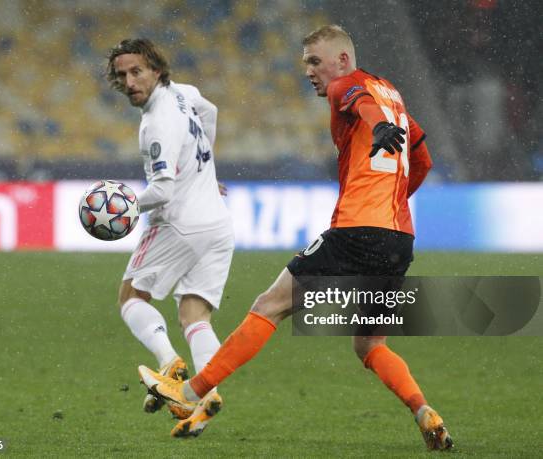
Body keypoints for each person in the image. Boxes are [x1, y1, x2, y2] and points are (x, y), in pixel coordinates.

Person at [138, 25, 453, 450]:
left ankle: (190, 391)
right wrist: (393, 196)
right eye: (306, 61)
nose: (308, 70)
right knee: (370, 345)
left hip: (356, 229)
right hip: (398, 240)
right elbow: (423, 158)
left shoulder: (351, 84)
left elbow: (357, 102)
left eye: (314, 61)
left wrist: (376, 131)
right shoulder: (391, 94)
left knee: (269, 305)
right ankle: (423, 411)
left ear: (342, 59)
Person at [106, 39, 234, 418]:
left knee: (131, 298)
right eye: (121, 75)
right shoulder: (183, 93)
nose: (129, 82)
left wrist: (123, 207)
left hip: (179, 223)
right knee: (195, 316)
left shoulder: (156, 123)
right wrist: (204, 168)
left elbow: (162, 190)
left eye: (136, 71)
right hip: (217, 224)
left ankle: (168, 363)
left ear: (156, 70)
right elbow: (209, 111)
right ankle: (206, 397)